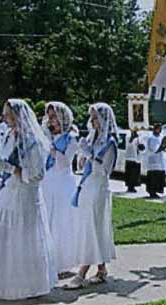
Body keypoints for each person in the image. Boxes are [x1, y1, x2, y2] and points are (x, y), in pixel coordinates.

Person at [0, 99, 57, 300]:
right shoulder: (9, 136)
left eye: (9, 115)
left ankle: (27, 284)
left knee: (23, 239)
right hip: (8, 191)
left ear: (18, 116)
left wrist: (11, 169)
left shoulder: (32, 141)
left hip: (24, 196)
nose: (5, 118)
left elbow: (36, 174)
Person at [65, 102, 118, 289]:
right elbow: (82, 166)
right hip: (87, 185)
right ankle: (101, 269)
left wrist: (90, 155)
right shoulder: (93, 138)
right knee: (91, 227)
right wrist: (83, 155)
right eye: (92, 117)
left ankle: (82, 272)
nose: (93, 121)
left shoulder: (110, 142)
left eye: (96, 117)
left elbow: (105, 169)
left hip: (99, 187)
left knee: (93, 227)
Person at [42, 101, 79, 275]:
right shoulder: (47, 135)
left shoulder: (71, 138)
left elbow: (65, 162)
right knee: (46, 218)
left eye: (54, 116)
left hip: (63, 182)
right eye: (49, 116)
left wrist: (52, 150)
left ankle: (62, 261)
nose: (51, 120)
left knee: (60, 221)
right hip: (47, 181)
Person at [146, 123, 166, 198]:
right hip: (153, 160)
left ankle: (157, 191)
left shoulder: (161, 137)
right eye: (158, 128)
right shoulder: (151, 137)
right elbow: (152, 148)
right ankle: (152, 192)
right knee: (153, 177)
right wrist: (160, 148)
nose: (160, 130)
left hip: (160, 161)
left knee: (159, 177)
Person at [125, 128, 144, 193]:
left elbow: (142, 147)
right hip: (130, 158)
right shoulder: (128, 137)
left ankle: (133, 186)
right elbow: (128, 145)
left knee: (135, 174)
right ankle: (130, 187)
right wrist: (133, 138)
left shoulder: (139, 138)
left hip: (137, 158)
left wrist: (141, 145)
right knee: (130, 174)